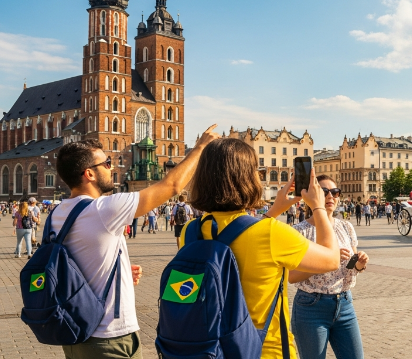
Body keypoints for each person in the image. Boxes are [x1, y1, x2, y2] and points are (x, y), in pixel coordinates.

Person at [52, 126, 219, 358]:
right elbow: (171, 186)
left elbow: (72, 264)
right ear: (89, 173)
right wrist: (201, 146)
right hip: (108, 336)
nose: (111, 168)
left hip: (76, 334)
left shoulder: (58, 213)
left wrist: (114, 272)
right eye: (106, 164)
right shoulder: (103, 209)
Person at [181, 138, 340, 358]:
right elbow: (331, 259)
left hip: (209, 347)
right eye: (256, 170)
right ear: (245, 178)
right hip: (263, 349)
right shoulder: (272, 232)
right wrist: (318, 207)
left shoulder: (190, 231)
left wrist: (273, 211)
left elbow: (237, 234)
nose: (260, 176)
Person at [288, 175, 368, 359]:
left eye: (335, 192)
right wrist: (325, 262)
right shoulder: (299, 231)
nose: (331, 196)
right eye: (324, 192)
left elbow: (349, 266)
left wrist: (358, 263)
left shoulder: (346, 227)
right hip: (311, 306)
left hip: (345, 304)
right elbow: (291, 276)